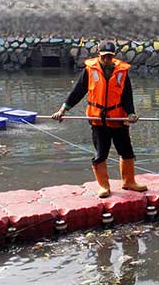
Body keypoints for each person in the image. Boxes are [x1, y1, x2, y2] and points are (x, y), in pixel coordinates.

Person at [52, 40, 147, 198]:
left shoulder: (122, 72)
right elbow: (77, 92)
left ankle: (129, 181)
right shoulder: (90, 71)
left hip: (118, 119)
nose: (107, 60)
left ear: (114, 56)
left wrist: (131, 113)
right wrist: (63, 109)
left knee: (127, 152)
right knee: (101, 154)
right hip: (98, 120)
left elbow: (127, 95)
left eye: (110, 57)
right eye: (104, 57)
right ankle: (104, 186)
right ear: (99, 55)